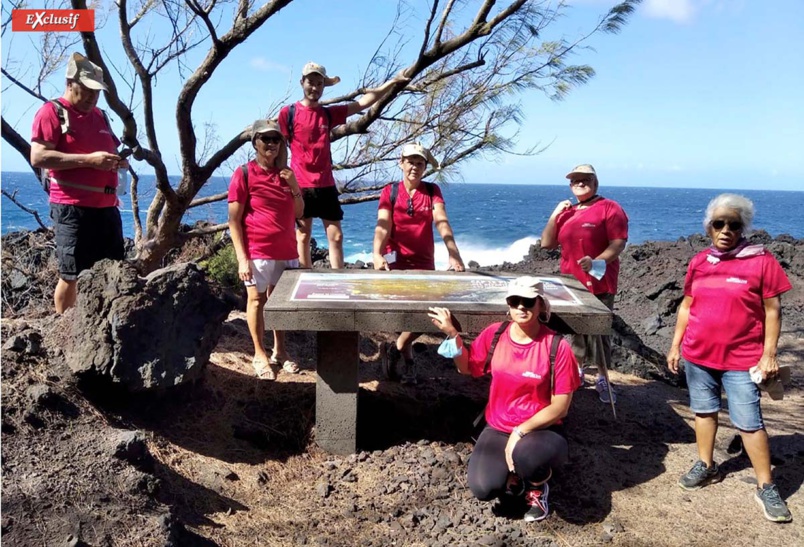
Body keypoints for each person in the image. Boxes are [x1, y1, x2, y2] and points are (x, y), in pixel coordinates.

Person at [666, 194, 793, 523]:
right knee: (704, 412)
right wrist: (675, 345)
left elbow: (773, 310)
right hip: (698, 355)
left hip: (742, 359)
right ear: (708, 227)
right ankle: (706, 465)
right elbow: (687, 305)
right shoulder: (699, 261)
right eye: (719, 223)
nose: (726, 230)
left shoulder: (761, 261)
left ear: (743, 228)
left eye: (734, 224)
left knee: (749, 424)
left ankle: (766, 485)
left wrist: (769, 355)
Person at [427, 277, 581, 522]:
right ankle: (514, 474)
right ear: (508, 304)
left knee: (527, 458)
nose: (521, 307)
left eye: (529, 301)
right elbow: (467, 368)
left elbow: (561, 407)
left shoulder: (557, 347)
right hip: (498, 426)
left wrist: (520, 432)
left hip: (542, 429)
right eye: (515, 300)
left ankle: (537, 485)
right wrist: (452, 334)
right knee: (483, 487)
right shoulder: (495, 335)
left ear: (541, 305)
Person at [278, 62, 409, 269]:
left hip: (326, 184)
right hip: (300, 185)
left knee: (336, 236)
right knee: (302, 235)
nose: (314, 87)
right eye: (311, 82)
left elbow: (363, 103)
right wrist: (283, 181)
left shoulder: (327, 114)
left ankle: (338, 279)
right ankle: (304, 276)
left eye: (319, 83)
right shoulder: (289, 113)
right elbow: (281, 149)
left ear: (323, 86)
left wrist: (392, 82)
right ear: (302, 83)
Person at [30, 52, 128, 314]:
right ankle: (64, 331)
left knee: (112, 271)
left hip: (107, 207)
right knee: (70, 274)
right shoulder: (52, 112)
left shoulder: (101, 116)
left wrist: (117, 163)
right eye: (87, 90)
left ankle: (99, 326)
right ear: (70, 83)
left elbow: (107, 153)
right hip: (72, 208)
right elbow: (39, 156)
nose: (92, 97)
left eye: (96, 92)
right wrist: (89, 161)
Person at [373, 143, 465, 384]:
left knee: (428, 312)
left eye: (420, 163)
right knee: (404, 313)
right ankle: (408, 360)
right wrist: (376, 253)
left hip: (424, 263)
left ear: (425, 167)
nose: (414, 166)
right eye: (410, 161)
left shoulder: (432, 191)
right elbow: (383, 225)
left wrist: (453, 254)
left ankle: (400, 346)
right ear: (401, 162)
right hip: (395, 261)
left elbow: (442, 221)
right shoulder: (390, 191)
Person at [540, 164, 628, 404]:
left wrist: (598, 260)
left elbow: (618, 242)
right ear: (570, 185)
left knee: (598, 330)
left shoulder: (610, 208)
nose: (580, 182)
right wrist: (555, 213)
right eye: (575, 180)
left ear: (595, 182)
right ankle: (577, 372)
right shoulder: (568, 212)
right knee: (576, 329)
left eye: (585, 179)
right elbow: (546, 243)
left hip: (600, 281)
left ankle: (602, 378)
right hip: (570, 283)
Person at [228, 119, 304, 380]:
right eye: (265, 139)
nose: (271, 144)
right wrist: (242, 258)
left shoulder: (286, 174)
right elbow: (233, 220)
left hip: (287, 251)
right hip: (257, 250)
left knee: (280, 303)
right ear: (255, 143)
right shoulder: (245, 173)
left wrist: (294, 186)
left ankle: (280, 352)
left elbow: (300, 213)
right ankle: (259, 354)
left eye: (276, 139)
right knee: (257, 300)